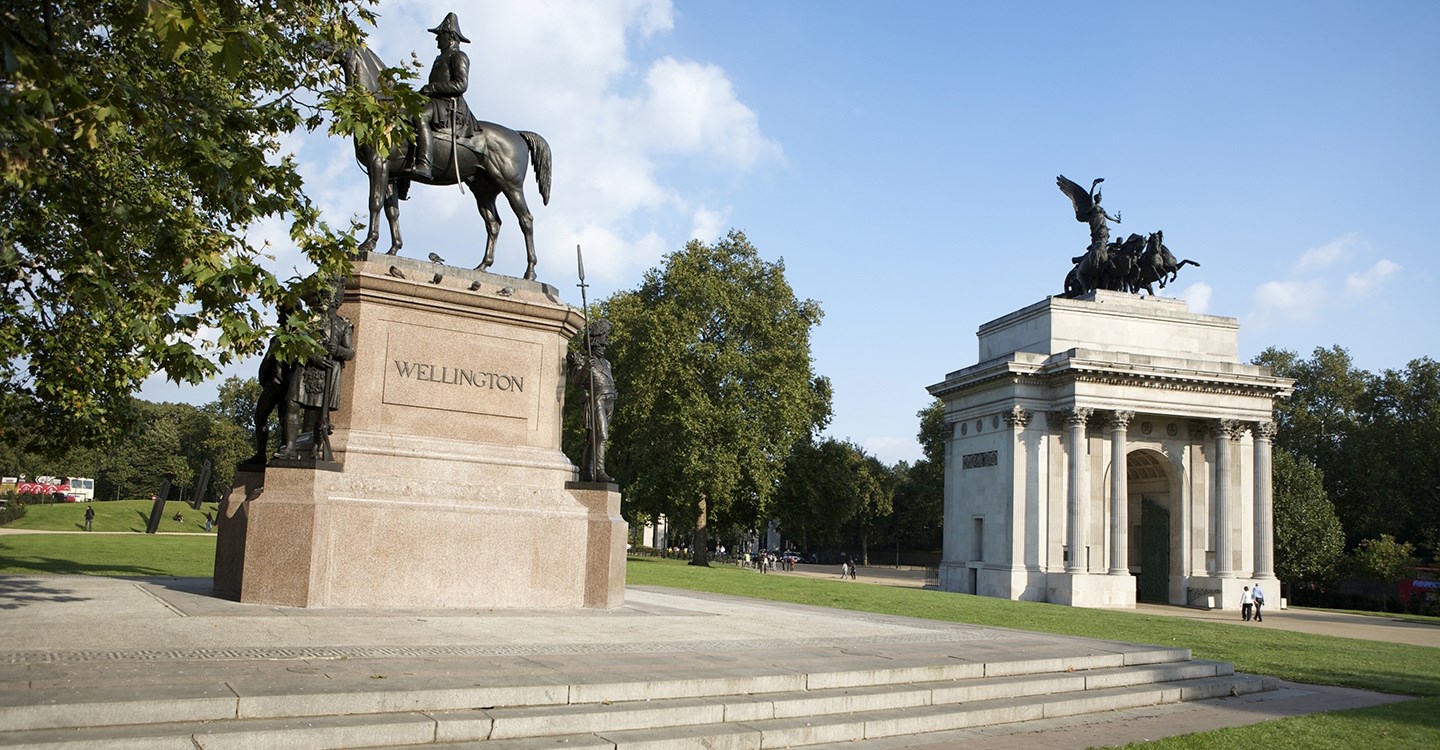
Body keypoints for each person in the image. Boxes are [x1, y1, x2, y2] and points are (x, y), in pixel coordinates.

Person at [411, 12, 477, 180]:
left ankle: (425, 164)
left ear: (449, 36)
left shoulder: (458, 57)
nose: (437, 40)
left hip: (449, 105)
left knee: (419, 116)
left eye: (439, 36)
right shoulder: (440, 58)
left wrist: (431, 88)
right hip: (436, 102)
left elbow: (461, 84)